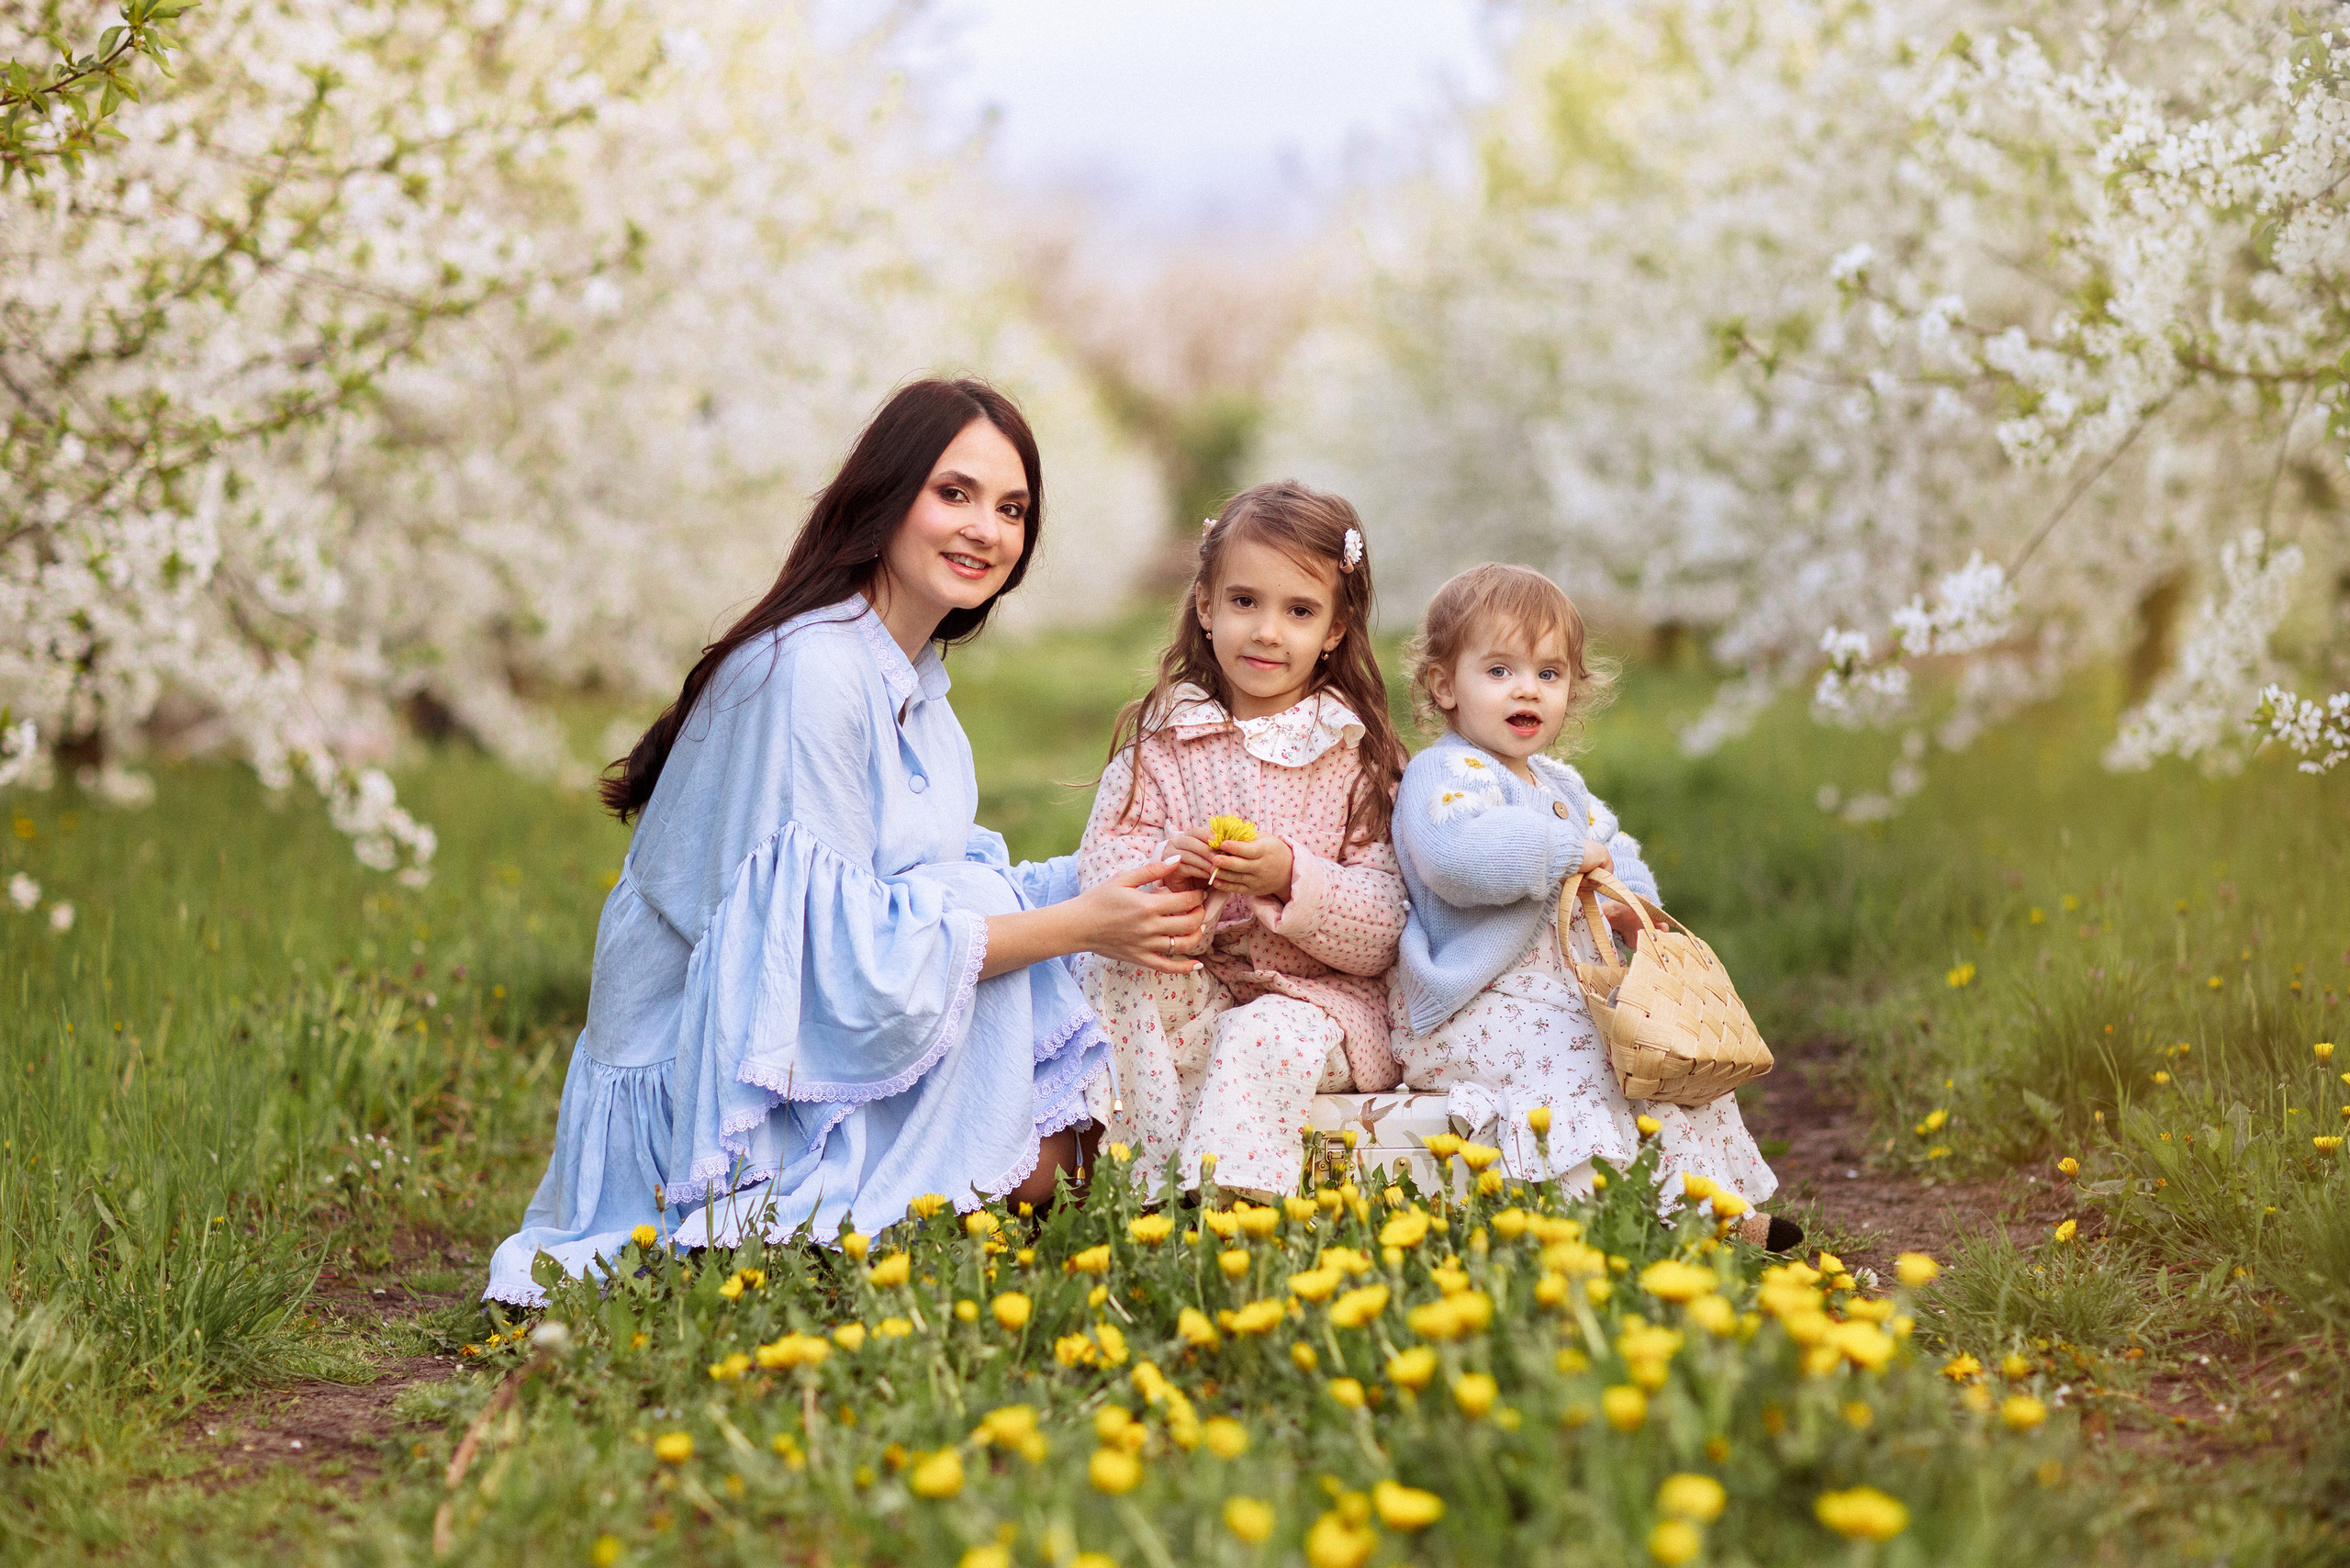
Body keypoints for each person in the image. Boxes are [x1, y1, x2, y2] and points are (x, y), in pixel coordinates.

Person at [485, 379, 1204, 1305]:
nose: (985, 528)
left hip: (820, 1022)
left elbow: (928, 885)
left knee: (1072, 1149)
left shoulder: (914, 684)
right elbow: (830, 956)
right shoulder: (812, 670)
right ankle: (771, 1208)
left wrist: (1123, 876)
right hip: (723, 1068)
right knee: (1062, 1156)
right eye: (954, 493)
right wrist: (1079, 925)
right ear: (886, 495)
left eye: (1011, 508)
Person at [1389, 564, 1797, 1247]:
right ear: (1443, 685)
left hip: (1558, 995)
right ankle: (1599, 1211)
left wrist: (1635, 911)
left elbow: (1616, 851)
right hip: (1474, 1007)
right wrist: (1559, 852)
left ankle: (1711, 1205)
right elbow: (1456, 856)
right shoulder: (1446, 772)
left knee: (1654, 1047)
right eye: (1499, 671)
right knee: (1581, 1057)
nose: (1527, 688)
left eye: (1549, 674)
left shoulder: (1563, 784)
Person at [1077, 482, 1408, 1203]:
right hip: (1197, 988)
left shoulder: (1353, 755)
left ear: (1335, 630)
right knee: (1117, 974)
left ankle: (1234, 1204)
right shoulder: (1166, 740)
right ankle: (1152, 1183)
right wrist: (1174, 873)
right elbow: (1100, 866)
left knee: (1261, 1037)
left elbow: (1386, 925)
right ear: (1205, 605)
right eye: (1245, 602)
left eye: (1299, 611)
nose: (1266, 631)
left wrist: (1290, 876)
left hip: (1313, 1003)